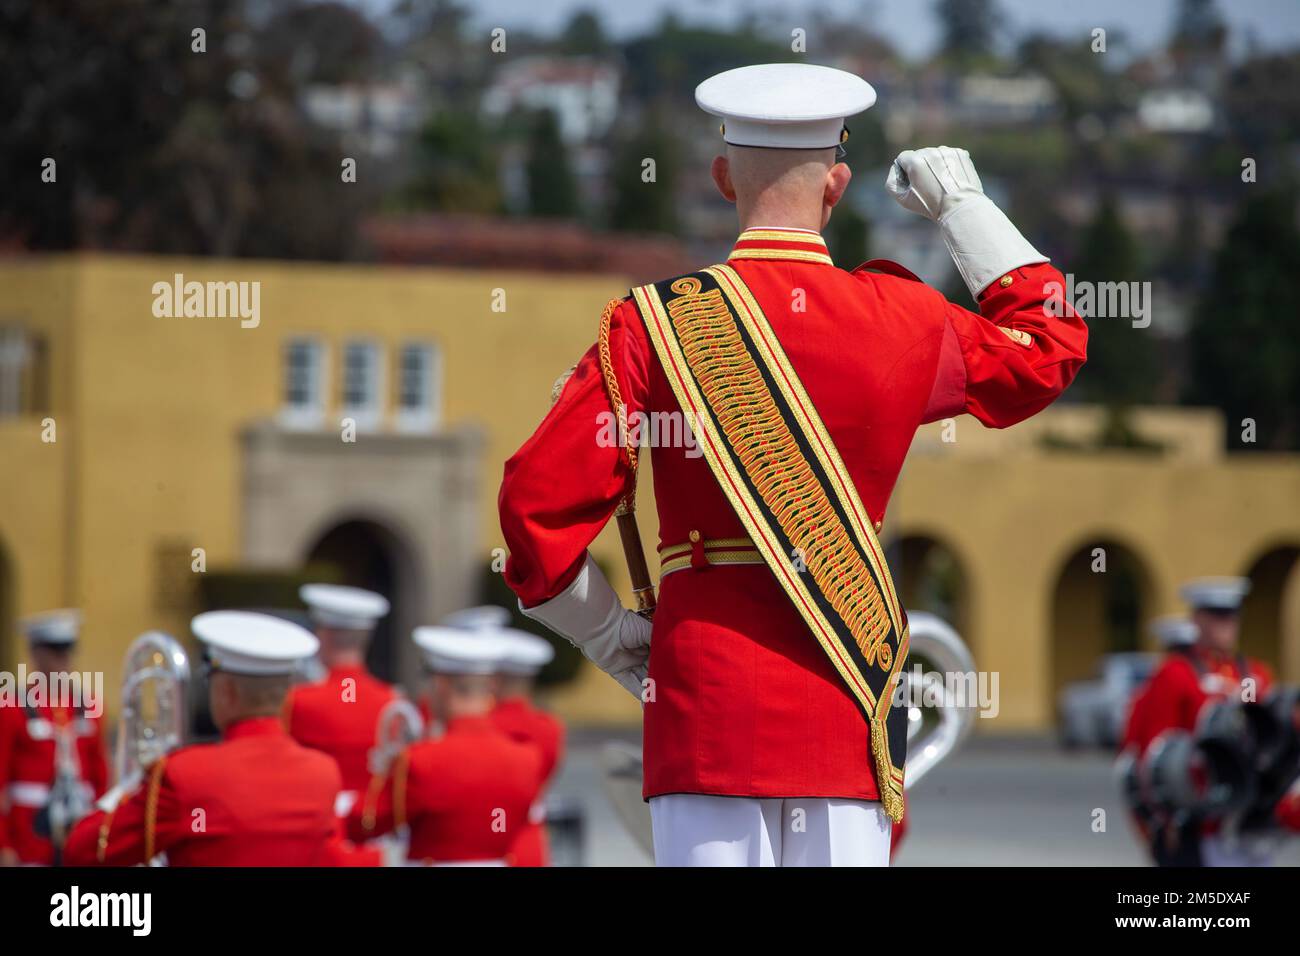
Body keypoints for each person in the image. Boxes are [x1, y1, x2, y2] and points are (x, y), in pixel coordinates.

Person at [498, 62, 1086, 866]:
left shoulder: (652, 324)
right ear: (837, 185)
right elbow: (1047, 345)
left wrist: (605, 633)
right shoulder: (904, 318)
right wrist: (965, 209)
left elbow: (535, 508)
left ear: (720, 177)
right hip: (847, 694)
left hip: (703, 694)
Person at [64, 611, 369, 866]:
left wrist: (131, 787)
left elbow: (85, 849)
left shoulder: (185, 774)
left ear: (227, 692)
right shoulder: (322, 773)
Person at [346, 627, 542, 865]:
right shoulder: (527, 758)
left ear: (441, 685)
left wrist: (383, 774)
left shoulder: (420, 761)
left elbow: (366, 824)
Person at [1120, 578, 1274, 866]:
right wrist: (1162, 820)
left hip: (1250, 824)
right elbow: (1155, 754)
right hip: (1202, 822)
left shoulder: (1255, 674)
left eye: (1231, 616)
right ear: (1198, 620)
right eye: (1217, 617)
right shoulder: (1176, 675)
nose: (1227, 624)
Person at [0, 609, 107, 865]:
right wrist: (3, 844)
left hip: (79, 833)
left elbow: (100, 776)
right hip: (30, 837)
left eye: (67, 651)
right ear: (36, 654)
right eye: (55, 652)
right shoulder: (12, 706)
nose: (64, 660)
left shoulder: (88, 705)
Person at [285, 584, 395, 817]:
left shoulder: (299, 701)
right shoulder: (391, 700)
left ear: (323, 635)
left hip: (318, 821)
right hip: (374, 825)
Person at [491, 627, 565, 867]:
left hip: (488, 841)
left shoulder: (487, 724)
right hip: (531, 841)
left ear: (497, 678)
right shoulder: (549, 727)